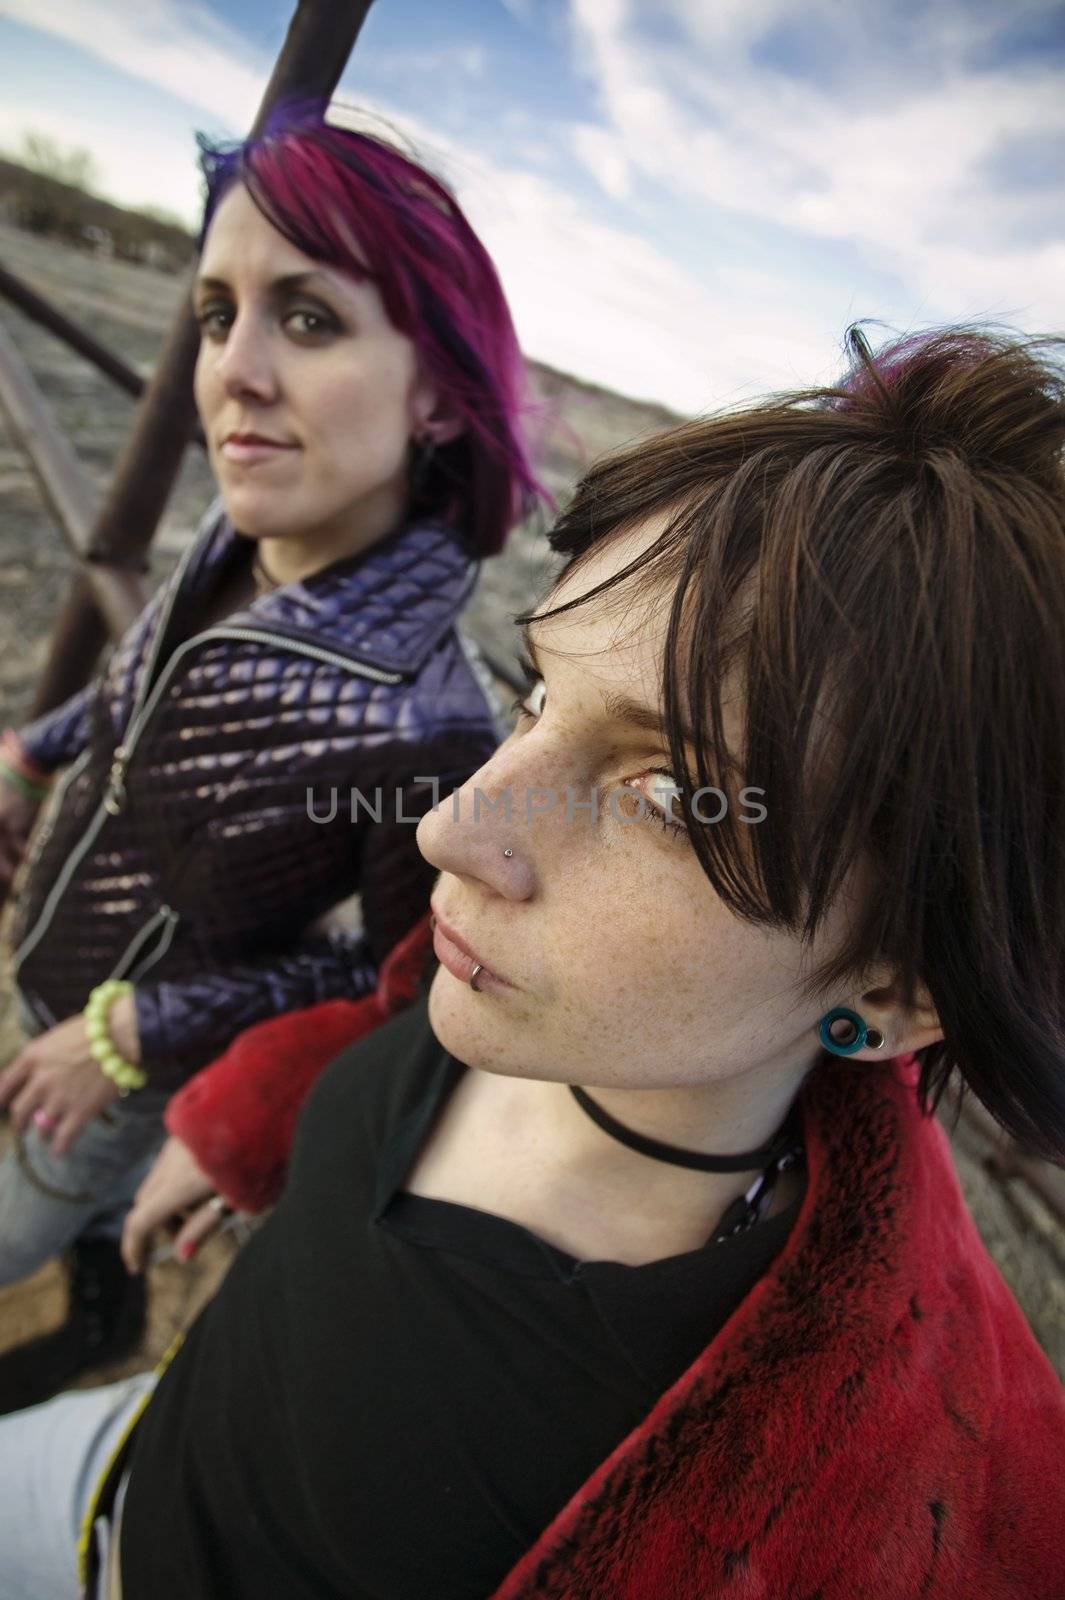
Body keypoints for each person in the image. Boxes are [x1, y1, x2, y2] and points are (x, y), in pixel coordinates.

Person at [2, 324, 1064, 1600]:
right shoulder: (520, 993)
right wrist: (248, 1119)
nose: (452, 827)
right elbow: (383, 1014)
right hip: (104, 1459)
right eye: (535, 696)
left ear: (896, 993)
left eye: (672, 790)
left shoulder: (786, 1500)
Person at [0, 101, 540, 1405]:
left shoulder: (431, 726)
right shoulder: (235, 540)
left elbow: (393, 983)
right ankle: (103, 1282)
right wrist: (35, 749)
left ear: (438, 393)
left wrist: (137, 1033)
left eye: (307, 319)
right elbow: (140, 687)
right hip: (39, 967)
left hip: (107, 1077)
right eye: (216, 314)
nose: (234, 372)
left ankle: (89, 1277)